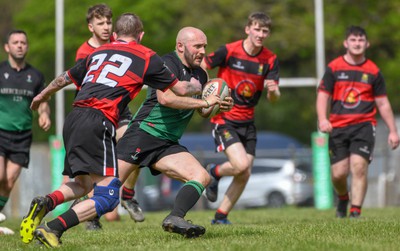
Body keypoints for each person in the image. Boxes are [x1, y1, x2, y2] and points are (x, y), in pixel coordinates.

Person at [19, 13, 203, 248]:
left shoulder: (97, 52)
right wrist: (200, 89)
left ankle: (46, 201)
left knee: (83, 185)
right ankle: (53, 228)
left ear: (115, 35)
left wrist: (41, 96)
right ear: (141, 35)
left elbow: (65, 78)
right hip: (100, 120)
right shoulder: (147, 56)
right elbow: (179, 88)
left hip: (73, 118)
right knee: (107, 197)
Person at [117, 26, 233, 238]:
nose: (202, 51)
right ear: (181, 46)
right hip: (144, 133)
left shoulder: (201, 73)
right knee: (104, 190)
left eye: (204, 46)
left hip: (167, 143)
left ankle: (175, 218)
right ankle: (54, 224)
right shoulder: (166, 64)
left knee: (201, 176)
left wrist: (218, 104)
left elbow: (203, 110)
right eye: (197, 46)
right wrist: (205, 102)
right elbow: (166, 99)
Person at [201, 12, 280, 224]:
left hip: (248, 122)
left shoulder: (270, 59)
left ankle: (220, 217)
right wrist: (206, 89)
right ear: (248, 29)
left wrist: (273, 91)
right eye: (257, 29)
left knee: (244, 173)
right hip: (225, 119)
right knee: (242, 165)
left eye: (264, 31)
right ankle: (214, 172)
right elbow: (203, 65)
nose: (260, 34)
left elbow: (274, 98)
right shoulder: (229, 51)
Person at [72, 3, 144, 229]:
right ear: (90, 26)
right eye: (100, 23)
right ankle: (90, 212)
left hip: (119, 109)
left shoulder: (118, 44)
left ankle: (129, 195)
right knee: (94, 170)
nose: (105, 27)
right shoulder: (84, 52)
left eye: (108, 22)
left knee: (138, 144)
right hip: (94, 113)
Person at [316, 25, 399, 218]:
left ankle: (355, 212)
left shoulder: (373, 71)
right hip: (338, 126)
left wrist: (393, 131)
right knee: (338, 173)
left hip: (364, 125)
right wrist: (322, 119)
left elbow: (383, 103)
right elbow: (322, 95)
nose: (357, 43)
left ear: (367, 44)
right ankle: (343, 197)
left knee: (359, 167)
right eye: (353, 40)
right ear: (346, 43)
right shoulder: (334, 68)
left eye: (361, 40)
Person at [0, 30, 51, 235]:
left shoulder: (36, 76)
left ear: (27, 47)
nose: (20, 45)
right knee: (0, 175)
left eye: (23, 42)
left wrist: (44, 115)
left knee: (9, 180)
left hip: (22, 135)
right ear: (7, 47)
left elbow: (43, 102)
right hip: (1, 132)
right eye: (15, 42)